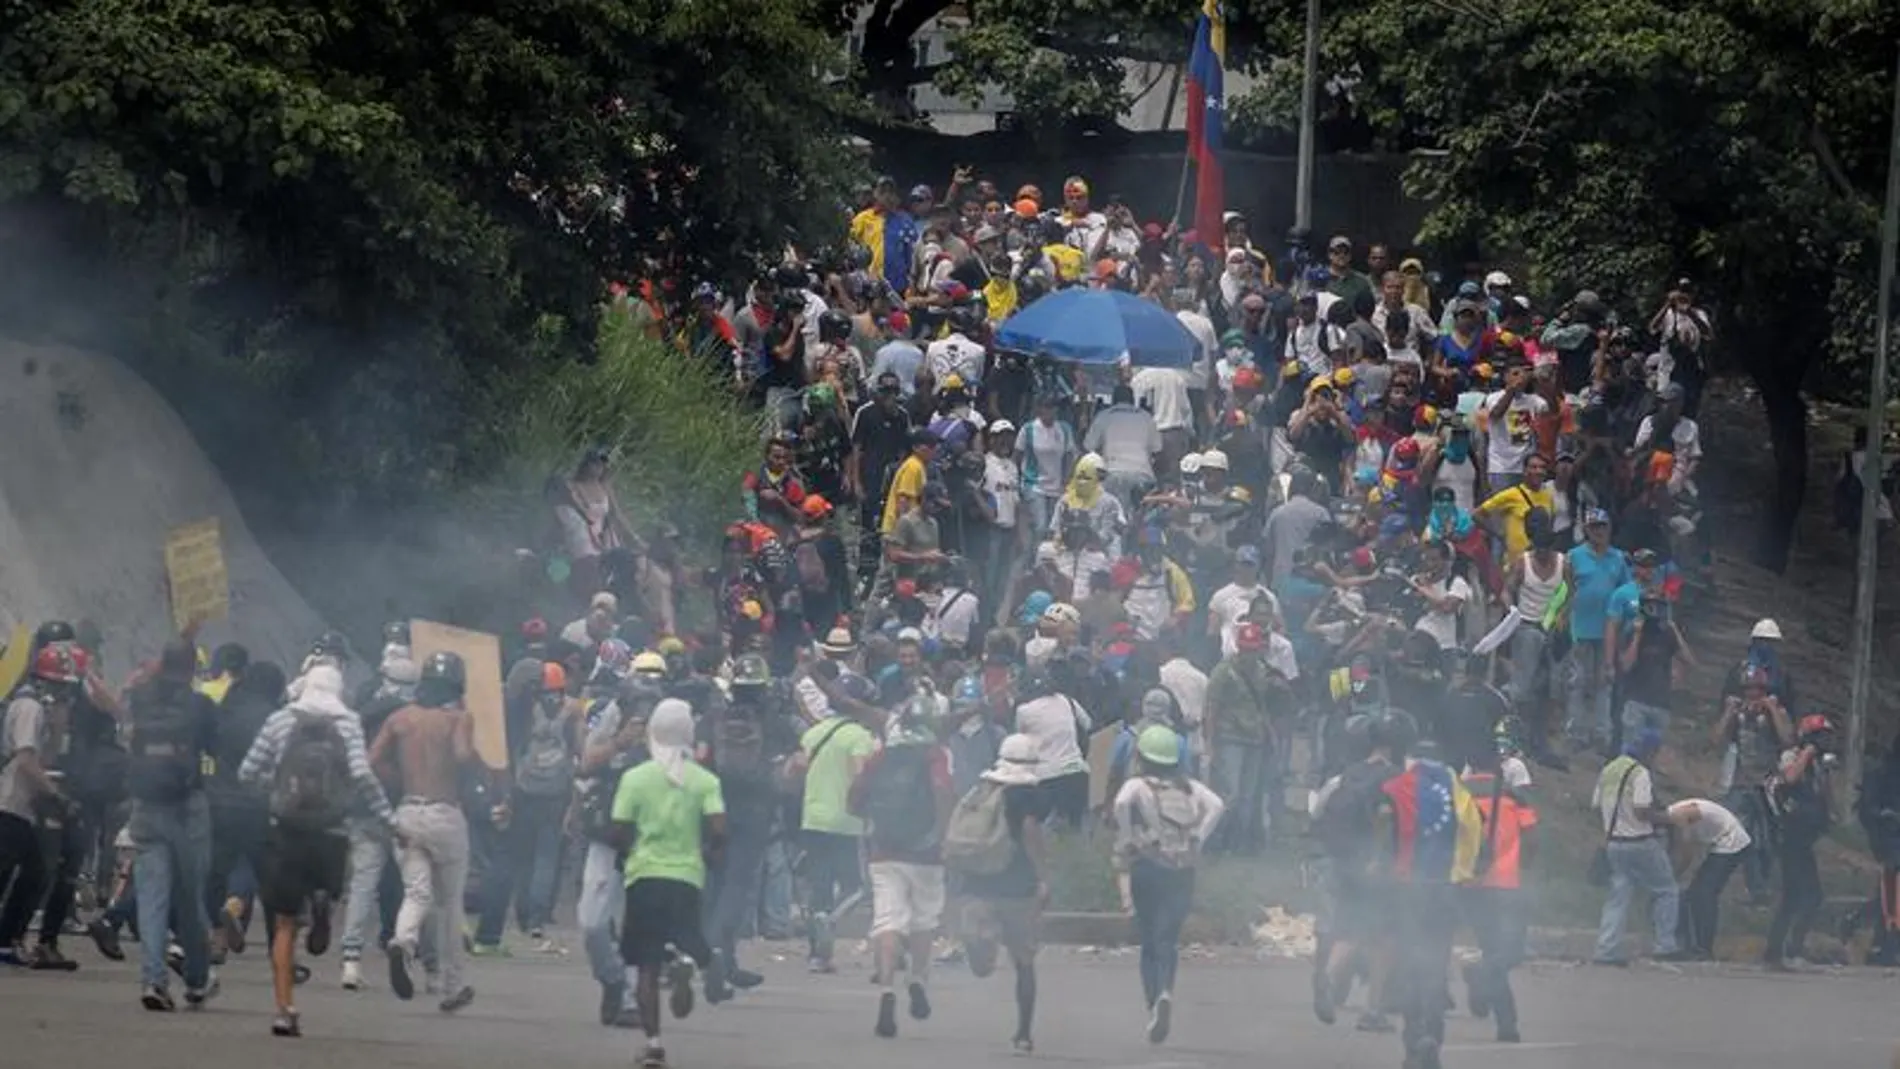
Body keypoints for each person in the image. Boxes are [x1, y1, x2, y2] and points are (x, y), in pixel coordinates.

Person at [238, 663, 397, 1036]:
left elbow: (247, 772)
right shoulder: (348, 724)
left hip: (287, 829)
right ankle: (323, 897)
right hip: (332, 830)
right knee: (327, 883)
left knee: (284, 924)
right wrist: (388, 819)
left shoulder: (280, 722)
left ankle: (284, 1008)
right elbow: (361, 774)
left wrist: (273, 793)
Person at [610, 699, 725, 1069]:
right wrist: (706, 853)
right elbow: (720, 828)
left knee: (645, 965)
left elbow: (619, 830)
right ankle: (693, 959)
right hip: (687, 876)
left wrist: (629, 853)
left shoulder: (635, 778)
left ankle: (654, 1044)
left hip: (643, 877)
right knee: (685, 933)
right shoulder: (705, 780)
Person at [368, 651, 484, 1012]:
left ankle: (403, 941)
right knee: (450, 904)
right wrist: (480, 769)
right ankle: (452, 987)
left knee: (416, 893)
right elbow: (464, 757)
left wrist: (400, 778)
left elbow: (372, 761)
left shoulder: (400, 718)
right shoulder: (457, 719)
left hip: (407, 812)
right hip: (444, 813)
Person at [125, 638, 222, 1011]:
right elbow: (215, 749)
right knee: (190, 896)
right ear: (192, 669)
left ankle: (153, 980)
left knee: (152, 898)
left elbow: (129, 738)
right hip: (187, 806)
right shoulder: (200, 705)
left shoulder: (141, 697)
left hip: (145, 804)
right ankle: (196, 981)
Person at [1112, 724, 1225, 1045]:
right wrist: (1198, 839)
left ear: (1142, 758)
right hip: (1182, 871)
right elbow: (1217, 805)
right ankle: (1166, 991)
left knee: (1148, 941)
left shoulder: (1137, 786)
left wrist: (1129, 836)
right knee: (1168, 940)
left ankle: (1154, 1004)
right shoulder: (1189, 787)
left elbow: (1121, 805)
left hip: (1148, 867)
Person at [850, 697, 955, 1038]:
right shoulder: (934, 754)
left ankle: (886, 990)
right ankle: (918, 978)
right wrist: (943, 832)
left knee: (888, 921)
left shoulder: (883, 754)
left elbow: (854, 799)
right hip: (926, 853)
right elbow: (942, 790)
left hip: (884, 849)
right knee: (923, 919)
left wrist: (869, 817)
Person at [951, 735, 1049, 1055]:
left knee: (981, 966)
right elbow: (1031, 831)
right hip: (1017, 889)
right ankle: (1023, 1034)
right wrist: (1042, 877)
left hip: (977, 883)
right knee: (1024, 961)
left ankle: (982, 938)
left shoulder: (982, 788)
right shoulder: (1030, 796)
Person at [575, 672, 663, 1026]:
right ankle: (611, 979)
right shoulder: (611, 720)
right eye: (634, 705)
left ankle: (628, 1000)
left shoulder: (666, 728)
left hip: (648, 838)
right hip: (607, 832)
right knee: (592, 921)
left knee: (636, 922)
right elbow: (585, 763)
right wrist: (620, 743)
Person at [0, 643, 91, 969]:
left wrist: (58, 728)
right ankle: (7, 938)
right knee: (23, 870)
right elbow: (26, 760)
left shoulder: (42, 710)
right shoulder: (28, 707)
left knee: (34, 871)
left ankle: (7, 940)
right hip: (8, 802)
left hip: (21, 806)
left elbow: (45, 755)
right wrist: (55, 794)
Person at [797, 674, 881, 972]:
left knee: (820, 884)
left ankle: (818, 957)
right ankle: (830, 922)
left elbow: (798, 768)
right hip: (847, 821)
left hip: (813, 817)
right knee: (856, 886)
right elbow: (861, 775)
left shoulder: (815, 732)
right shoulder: (860, 737)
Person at [1461, 744, 1537, 1044]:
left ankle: (1508, 1024)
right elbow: (1531, 838)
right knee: (1509, 953)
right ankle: (1482, 977)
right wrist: (1526, 867)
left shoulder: (1458, 792)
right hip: (1506, 883)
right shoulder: (1513, 795)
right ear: (1497, 763)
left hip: (1468, 882)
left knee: (1492, 949)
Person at [1592, 728, 1684, 964]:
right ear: (1649, 751)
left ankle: (1606, 949)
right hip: (1640, 842)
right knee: (1666, 889)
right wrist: (1669, 818)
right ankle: (1665, 944)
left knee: (1618, 896)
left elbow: (1596, 806)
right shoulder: (1639, 772)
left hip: (1614, 843)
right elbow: (1642, 810)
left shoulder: (1608, 769)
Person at [1764, 714, 1836, 970]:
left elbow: (1825, 798)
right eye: (1822, 737)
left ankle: (1780, 950)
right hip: (1789, 836)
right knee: (1803, 895)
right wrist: (1807, 752)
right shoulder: (1793, 755)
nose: (1826, 742)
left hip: (1804, 838)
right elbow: (1790, 778)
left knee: (1802, 896)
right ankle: (1786, 951)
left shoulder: (1818, 765)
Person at [1667, 798, 1750, 960]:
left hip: (1731, 843)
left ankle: (1703, 947)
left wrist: (1677, 874)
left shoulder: (1680, 814)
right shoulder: (1677, 816)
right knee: (1695, 894)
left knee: (1704, 894)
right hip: (1718, 844)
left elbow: (1687, 852)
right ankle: (1694, 943)